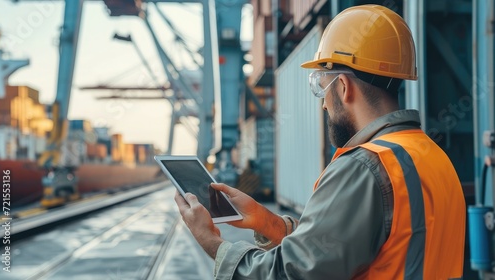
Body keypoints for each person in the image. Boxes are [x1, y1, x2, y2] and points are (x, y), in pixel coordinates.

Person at [175, 4, 466, 279]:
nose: (324, 104)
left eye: (320, 86)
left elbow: (290, 274)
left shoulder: (365, 168)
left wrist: (212, 242)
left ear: (343, 86)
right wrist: (267, 223)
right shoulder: (434, 157)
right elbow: (341, 247)